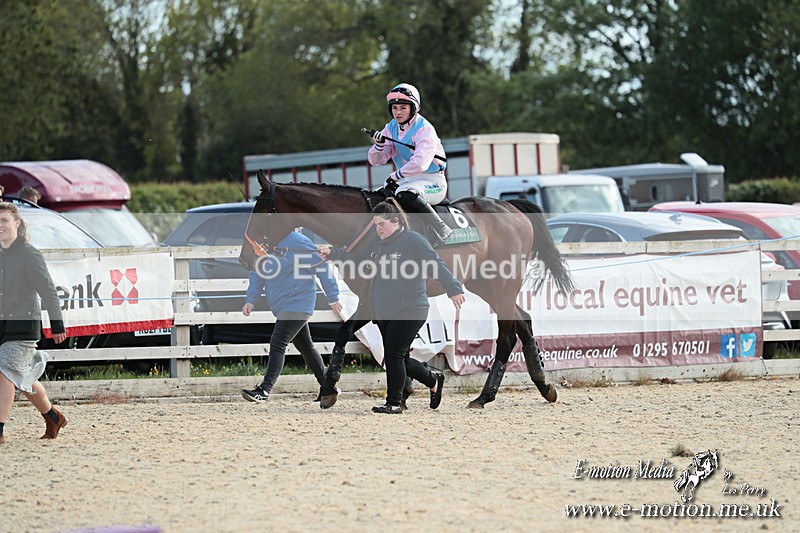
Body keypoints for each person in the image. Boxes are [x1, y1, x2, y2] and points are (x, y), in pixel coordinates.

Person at [321, 199, 465, 414]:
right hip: (384, 309)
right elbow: (356, 259)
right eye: (375, 225)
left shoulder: (413, 240)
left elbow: (436, 263)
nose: (378, 229)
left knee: (395, 356)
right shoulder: (376, 245)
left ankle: (394, 402)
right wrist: (334, 253)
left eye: (381, 225)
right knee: (398, 357)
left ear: (395, 221)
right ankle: (433, 381)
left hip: (410, 308)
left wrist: (453, 288)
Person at [241, 228, 343, 407]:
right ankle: (328, 388)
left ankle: (264, 390)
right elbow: (258, 271)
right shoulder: (268, 241)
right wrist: (251, 299)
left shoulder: (298, 241)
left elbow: (321, 265)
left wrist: (333, 296)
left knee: (278, 343)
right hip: (283, 305)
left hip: (298, 301)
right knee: (306, 347)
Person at [0, 202, 68, 444]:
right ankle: (52, 416)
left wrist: (57, 324)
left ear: (17, 224)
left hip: (23, 328)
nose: (0, 226)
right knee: (23, 375)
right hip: (2, 327)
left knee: (4, 372)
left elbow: (48, 291)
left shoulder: (30, 254)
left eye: (5, 221)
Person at [369, 83, 452, 246]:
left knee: (404, 193)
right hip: (407, 179)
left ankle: (441, 229)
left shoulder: (424, 129)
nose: (398, 113)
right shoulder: (391, 128)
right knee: (378, 197)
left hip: (432, 181)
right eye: (394, 108)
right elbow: (376, 161)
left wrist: (396, 175)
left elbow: (420, 164)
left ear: (413, 108)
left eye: (403, 108)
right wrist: (378, 145)